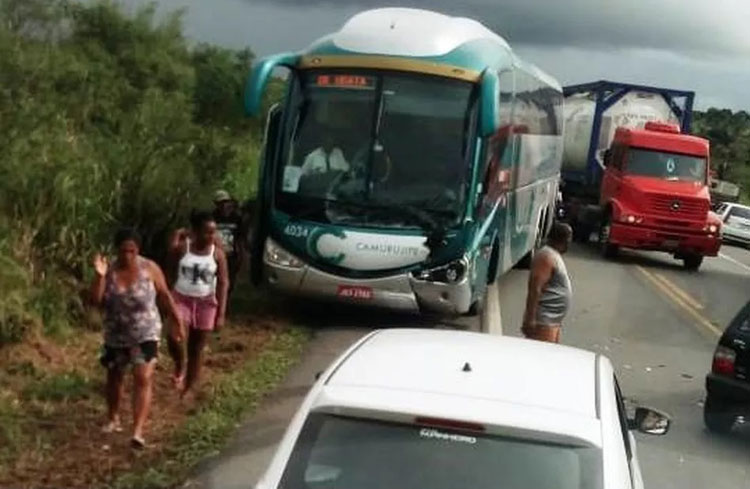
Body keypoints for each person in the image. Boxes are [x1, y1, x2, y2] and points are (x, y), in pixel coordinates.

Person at [90, 228, 184, 449]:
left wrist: (177, 321)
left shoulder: (149, 268)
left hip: (146, 332)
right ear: (117, 250)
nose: (127, 256)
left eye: (131, 251)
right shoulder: (109, 270)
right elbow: (95, 301)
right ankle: (113, 418)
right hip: (116, 334)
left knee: (143, 376)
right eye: (123, 251)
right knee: (115, 378)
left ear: (138, 250)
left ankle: (138, 431)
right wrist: (99, 276)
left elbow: (165, 295)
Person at [167, 210, 229, 397]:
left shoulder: (217, 254)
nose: (211, 236)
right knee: (174, 337)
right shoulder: (183, 249)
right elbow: (170, 270)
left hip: (206, 303)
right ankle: (179, 364)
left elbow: (224, 282)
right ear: (195, 232)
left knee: (197, 347)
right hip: (181, 299)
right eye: (207, 232)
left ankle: (190, 386)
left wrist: (221, 313)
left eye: (213, 232)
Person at [521, 222, 573, 343]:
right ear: (561, 239)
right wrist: (530, 319)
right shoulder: (545, 256)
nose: (569, 243)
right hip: (543, 322)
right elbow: (535, 289)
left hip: (552, 322)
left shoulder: (553, 255)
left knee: (551, 357)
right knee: (542, 358)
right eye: (568, 239)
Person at [213, 190, 245, 296]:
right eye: (220, 203)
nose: (223, 205)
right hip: (216, 254)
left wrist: (241, 254)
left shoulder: (237, 218)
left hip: (231, 254)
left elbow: (240, 237)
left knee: (229, 281)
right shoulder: (212, 217)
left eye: (226, 202)